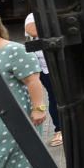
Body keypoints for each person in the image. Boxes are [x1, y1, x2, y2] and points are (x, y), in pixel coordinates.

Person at [0, 11, 47, 168]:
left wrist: (38, 108)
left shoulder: (13, 50)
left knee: (17, 162)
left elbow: (33, 81)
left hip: (13, 118)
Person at [24, 13, 62, 147]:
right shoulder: (33, 16)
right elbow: (31, 30)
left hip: (65, 62)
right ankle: (59, 129)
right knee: (55, 97)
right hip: (46, 66)